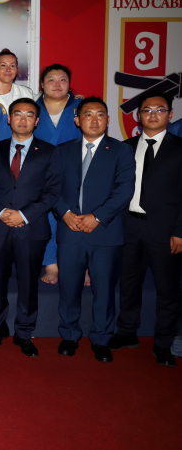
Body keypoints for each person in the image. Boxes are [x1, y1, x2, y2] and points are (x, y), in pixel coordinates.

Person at [54, 98, 135, 362]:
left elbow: (124, 190)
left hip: (105, 232)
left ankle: (101, 338)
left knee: (104, 290)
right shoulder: (62, 150)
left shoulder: (121, 151)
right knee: (69, 288)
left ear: (108, 120)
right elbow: (50, 187)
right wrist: (65, 213)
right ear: (77, 120)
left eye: (100, 114)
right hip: (70, 230)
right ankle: (69, 335)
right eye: (88, 114)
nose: (94, 119)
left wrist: (97, 217)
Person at [111, 91, 182, 367]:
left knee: (167, 289)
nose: (153, 115)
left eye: (159, 110)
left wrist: (180, 230)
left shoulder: (179, 147)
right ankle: (127, 332)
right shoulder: (125, 147)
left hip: (167, 231)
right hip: (128, 226)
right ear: (138, 116)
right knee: (129, 284)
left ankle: (163, 344)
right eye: (147, 110)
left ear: (170, 115)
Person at [0, 98, 62, 357]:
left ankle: (24, 332)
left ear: (37, 121)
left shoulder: (50, 151)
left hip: (32, 228)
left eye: (29, 115)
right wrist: (1, 211)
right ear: (9, 119)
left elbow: (53, 192)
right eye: (17, 114)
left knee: (28, 283)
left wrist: (23, 215)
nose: (22, 119)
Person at [34, 64, 83, 285]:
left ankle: (83, 264)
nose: (57, 84)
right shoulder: (32, 107)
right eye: (51, 80)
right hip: (40, 174)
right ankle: (51, 263)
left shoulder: (81, 107)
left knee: (77, 215)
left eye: (62, 79)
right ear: (41, 84)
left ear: (69, 84)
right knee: (46, 219)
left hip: (75, 171)